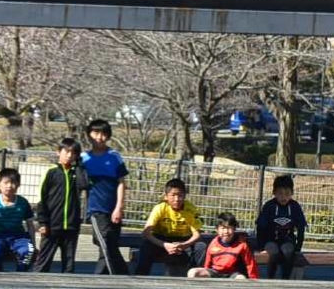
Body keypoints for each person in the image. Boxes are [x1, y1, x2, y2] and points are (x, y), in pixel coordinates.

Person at [30, 138, 89, 273]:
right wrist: (43, 222)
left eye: (74, 153)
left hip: (71, 224)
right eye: (66, 151)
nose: (70, 155)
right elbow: (41, 198)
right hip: (52, 224)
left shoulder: (76, 172)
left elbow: (84, 185)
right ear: (58, 152)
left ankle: (67, 284)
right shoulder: (51, 172)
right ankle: (36, 281)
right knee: (43, 262)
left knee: (69, 264)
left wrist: (79, 165)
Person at [81, 118, 130, 275]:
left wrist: (119, 207)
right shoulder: (83, 158)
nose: (99, 137)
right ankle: (109, 276)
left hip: (113, 209)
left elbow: (121, 183)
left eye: (103, 133)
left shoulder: (114, 156)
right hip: (96, 208)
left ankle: (121, 276)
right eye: (96, 133)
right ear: (89, 135)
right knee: (104, 242)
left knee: (110, 244)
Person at [136, 178, 206, 276]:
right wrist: (165, 245)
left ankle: (194, 276)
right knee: (146, 245)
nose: (177, 199)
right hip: (162, 240)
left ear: (185, 195)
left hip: (183, 241)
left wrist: (184, 245)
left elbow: (197, 234)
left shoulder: (191, 209)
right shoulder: (160, 208)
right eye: (173, 195)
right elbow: (146, 233)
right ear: (166, 196)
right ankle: (140, 277)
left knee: (201, 247)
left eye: (180, 195)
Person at [0, 168, 35, 272]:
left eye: (13, 182)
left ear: (18, 185)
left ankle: (21, 274)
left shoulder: (23, 202)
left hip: (19, 237)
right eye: (6, 183)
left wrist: (34, 245)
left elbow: (30, 225)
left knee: (28, 252)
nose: (9, 186)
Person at [254, 174, 308, 280]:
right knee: (273, 252)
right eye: (280, 193)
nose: (284, 197)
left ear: (292, 193)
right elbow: (260, 227)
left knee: (287, 251)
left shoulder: (295, 207)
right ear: (274, 193)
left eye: (287, 194)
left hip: (287, 239)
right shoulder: (269, 206)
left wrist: (298, 247)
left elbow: (301, 227)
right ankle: (271, 278)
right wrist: (261, 247)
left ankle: (285, 278)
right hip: (270, 239)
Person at [188, 212, 259, 280]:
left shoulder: (242, 244)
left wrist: (254, 280)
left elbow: (250, 264)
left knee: (241, 278)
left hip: (233, 274)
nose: (226, 232)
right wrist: (206, 272)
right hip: (215, 272)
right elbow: (207, 263)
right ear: (217, 230)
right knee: (193, 272)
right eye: (223, 228)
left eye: (229, 228)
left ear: (234, 229)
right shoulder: (214, 243)